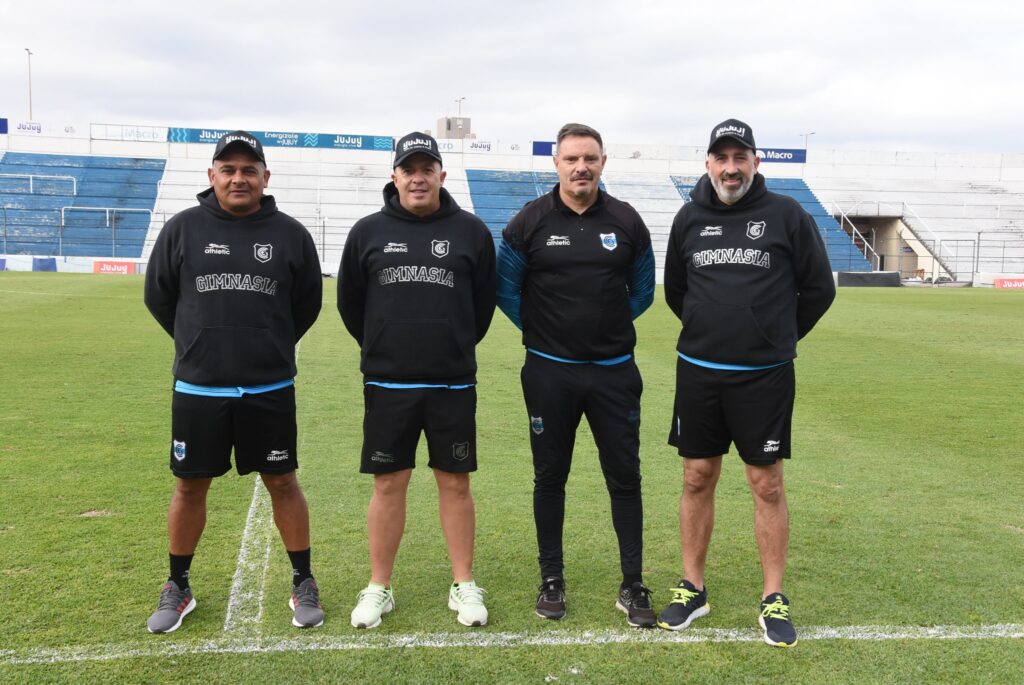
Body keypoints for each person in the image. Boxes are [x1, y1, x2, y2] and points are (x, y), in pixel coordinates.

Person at [656, 119, 836, 647]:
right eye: (721, 158)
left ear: (755, 162)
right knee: (696, 476)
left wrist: (773, 337)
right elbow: (678, 292)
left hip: (765, 376)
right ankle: (693, 586)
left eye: (741, 157)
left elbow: (818, 289)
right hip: (700, 372)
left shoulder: (787, 215)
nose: (731, 168)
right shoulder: (688, 218)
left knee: (767, 483)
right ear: (708, 163)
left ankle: (773, 595)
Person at [143, 131, 324, 633]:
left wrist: (267, 345)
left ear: (266, 178)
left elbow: (306, 304)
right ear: (211, 176)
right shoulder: (183, 229)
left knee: (283, 482)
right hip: (199, 389)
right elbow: (160, 298)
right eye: (229, 169)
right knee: (189, 485)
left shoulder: (290, 234)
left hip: (268, 388)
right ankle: (177, 585)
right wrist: (198, 347)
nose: (238, 178)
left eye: (249, 170)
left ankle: (303, 579)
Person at [496, 123, 657, 628]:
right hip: (549, 374)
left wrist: (603, 327)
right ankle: (551, 579)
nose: (580, 167)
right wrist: (549, 333)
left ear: (603, 162)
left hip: (614, 374)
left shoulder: (628, 222)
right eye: (571, 159)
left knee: (625, 478)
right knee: (550, 476)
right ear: (557, 164)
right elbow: (506, 290)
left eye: (589, 158)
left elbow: (644, 291)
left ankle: (632, 584)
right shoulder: (529, 222)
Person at [338, 132, 496, 629]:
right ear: (395, 176)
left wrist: (450, 345)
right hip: (388, 383)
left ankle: (463, 584)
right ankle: (379, 586)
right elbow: (350, 304)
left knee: (456, 483)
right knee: (389, 484)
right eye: (409, 168)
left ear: (442, 175)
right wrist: (385, 345)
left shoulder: (471, 232)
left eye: (428, 167)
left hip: (451, 381)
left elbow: (483, 307)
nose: (418, 176)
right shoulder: (367, 232)